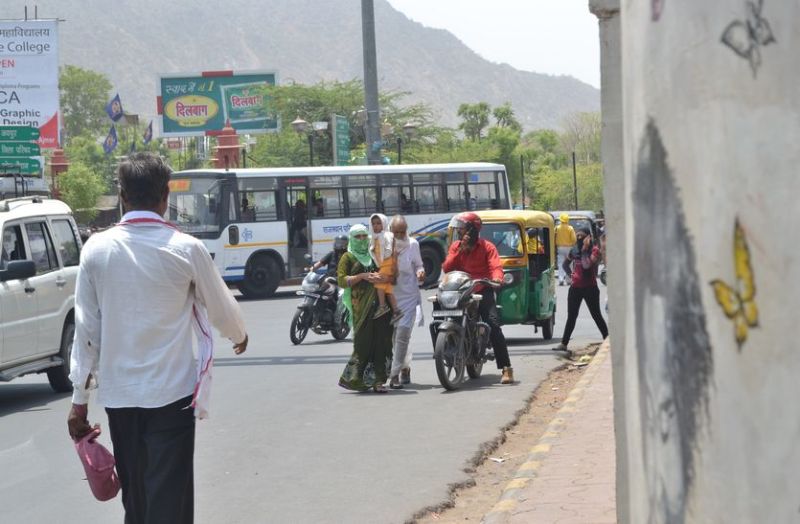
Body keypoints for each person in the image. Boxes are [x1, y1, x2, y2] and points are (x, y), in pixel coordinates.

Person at [66, 152, 249, 524]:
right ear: (166, 195)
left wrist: (79, 401)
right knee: (169, 498)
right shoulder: (186, 248)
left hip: (121, 398)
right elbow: (222, 308)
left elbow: (87, 333)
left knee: (136, 497)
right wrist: (238, 335)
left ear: (122, 194)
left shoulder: (96, 249)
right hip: (171, 395)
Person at [442, 212, 514, 385]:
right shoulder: (456, 247)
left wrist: (497, 279)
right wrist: (460, 250)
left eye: (463, 228)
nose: (460, 232)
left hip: (482, 289)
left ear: (473, 230)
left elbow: (495, 267)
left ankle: (506, 368)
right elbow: (447, 268)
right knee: (441, 312)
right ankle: (447, 348)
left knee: (493, 324)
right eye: (459, 229)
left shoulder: (487, 247)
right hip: (460, 290)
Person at [337, 224, 394, 393]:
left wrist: (379, 276)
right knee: (363, 343)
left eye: (364, 236)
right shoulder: (347, 257)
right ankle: (355, 378)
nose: (362, 239)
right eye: (357, 237)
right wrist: (362, 276)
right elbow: (341, 280)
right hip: (360, 307)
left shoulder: (373, 254)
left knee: (382, 342)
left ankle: (378, 381)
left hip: (381, 305)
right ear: (351, 239)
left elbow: (386, 271)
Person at [553, 227, 609, 354]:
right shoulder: (574, 250)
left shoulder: (594, 251)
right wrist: (571, 274)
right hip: (575, 288)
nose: (579, 238)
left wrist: (584, 250)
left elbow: (587, 265)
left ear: (588, 237)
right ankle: (564, 343)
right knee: (571, 316)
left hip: (590, 288)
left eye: (582, 236)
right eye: (577, 236)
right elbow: (564, 264)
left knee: (596, 315)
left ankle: (607, 339)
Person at [387, 215, 425, 389]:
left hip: (408, 296)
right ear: (390, 231)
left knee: (402, 335)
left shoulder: (413, 244)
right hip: (390, 296)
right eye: (396, 232)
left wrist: (420, 272)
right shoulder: (384, 245)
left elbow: (419, 265)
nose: (400, 235)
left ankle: (394, 375)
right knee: (393, 338)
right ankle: (405, 366)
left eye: (403, 232)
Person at [369, 213, 403, 324]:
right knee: (388, 290)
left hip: (388, 263)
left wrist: (387, 259)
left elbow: (389, 250)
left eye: (378, 223)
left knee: (378, 283)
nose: (376, 226)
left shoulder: (387, 235)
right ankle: (397, 311)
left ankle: (382, 306)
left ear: (384, 223)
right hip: (382, 265)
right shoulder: (374, 237)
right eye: (373, 224)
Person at [555, 213, 576, 286]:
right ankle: (569, 280)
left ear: (561, 220)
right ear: (567, 220)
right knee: (569, 264)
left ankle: (561, 279)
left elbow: (554, 237)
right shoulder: (570, 228)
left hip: (560, 247)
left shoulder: (557, 228)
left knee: (560, 263)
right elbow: (574, 239)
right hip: (569, 248)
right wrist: (573, 244)